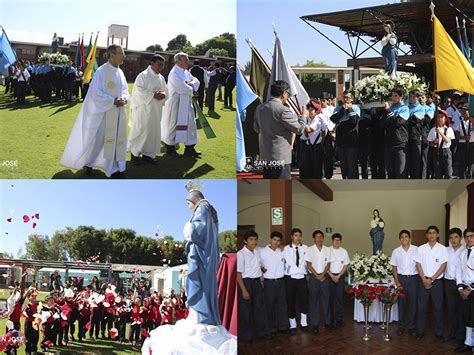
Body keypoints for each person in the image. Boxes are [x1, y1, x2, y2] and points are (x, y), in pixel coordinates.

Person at [61, 44, 130, 178]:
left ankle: (114, 169)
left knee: (114, 141)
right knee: (98, 142)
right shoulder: (102, 72)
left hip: (117, 114)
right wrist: (112, 101)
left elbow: (126, 91)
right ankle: (90, 163)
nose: (124, 56)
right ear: (111, 55)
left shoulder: (120, 72)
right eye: (121, 53)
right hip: (103, 115)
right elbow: (95, 93)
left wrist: (124, 99)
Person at [253, 80, 309, 179]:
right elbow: (299, 129)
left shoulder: (260, 108)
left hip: (265, 154)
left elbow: (256, 129)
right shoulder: (283, 110)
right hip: (280, 156)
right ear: (284, 94)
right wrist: (303, 116)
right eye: (288, 93)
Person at [128, 54, 168, 165]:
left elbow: (166, 91)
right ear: (152, 63)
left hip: (156, 110)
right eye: (159, 64)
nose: (161, 67)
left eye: (162, 65)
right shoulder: (143, 76)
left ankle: (148, 154)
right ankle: (135, 154)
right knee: (142, 131)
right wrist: (153, 95)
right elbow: (138, 92)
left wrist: (163, 94)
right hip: (144, 110)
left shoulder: (161, 78)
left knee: (153, 133)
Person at [161, 52, 201, 158]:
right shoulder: (174, 73)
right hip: (177, 103)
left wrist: (190, 84)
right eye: (185, 60)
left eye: (188, 59)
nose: (188, 62)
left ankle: (190, 148)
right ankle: (170, 148)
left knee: (191, 124)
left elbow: (196, 80)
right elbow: (181, 87)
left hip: (187, 102)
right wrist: (191, 87)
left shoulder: (185, 72)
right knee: (174, 125)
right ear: (178, 61)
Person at [414, 225, 448, 340]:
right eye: (429, 233)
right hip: (423, 281)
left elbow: (443, 266)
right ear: (426, 235)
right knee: (421, 307)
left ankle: (439, 332)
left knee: (438, 308)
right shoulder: (421, 248)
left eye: (434, 233)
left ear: (437, 235)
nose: (432, 235)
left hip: (436, 282)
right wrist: (424, 279)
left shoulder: (443, 249)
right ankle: (420, 331)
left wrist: (432, 279)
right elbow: (418, 265)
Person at [237, 230, 264, 344]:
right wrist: (244, 290)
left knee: (258, 309)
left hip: (257, 283)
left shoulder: (258, 251)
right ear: (245, 241)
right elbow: (238, 274)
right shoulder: (240, 254)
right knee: (245, 311)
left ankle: (260, 333)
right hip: (246, 283)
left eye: (255, 239)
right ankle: (247, 336)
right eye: (251, 239)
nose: (254, 241)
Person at [305, 230, 334, 333]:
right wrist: (317, 275)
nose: (319, 239)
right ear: (314, 238)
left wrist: (322, 275)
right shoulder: (310, 249)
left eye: (321, 237)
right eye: (317, 237)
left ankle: (327, 322)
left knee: (326, 300)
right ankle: (315, 324)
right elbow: (308, 264)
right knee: (313, 301)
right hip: (314, 278)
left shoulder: (327, 249)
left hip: (325, 277)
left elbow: (328, 264)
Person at [390, 230, 418, 336]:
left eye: (406, 236)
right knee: (401, 304)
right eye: (402, 237)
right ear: (400, 239)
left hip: (413, 279)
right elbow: (394, 268)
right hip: (401, 279)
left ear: (409, 238)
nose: (404, 238)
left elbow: (420, 265)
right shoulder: (396, 251)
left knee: (412, 304)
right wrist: (397, 282)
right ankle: (401, 327)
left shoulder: (416, 249)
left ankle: (411, 327)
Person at [259, 231, 287, 338]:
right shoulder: (262, 251)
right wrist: (262, 268)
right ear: (271, 239)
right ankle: (271, 328)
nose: (276, 242)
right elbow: (259, 263)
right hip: (269, 282)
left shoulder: (282, 251)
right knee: (270, 306)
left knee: (282, 306)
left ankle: (282, 326)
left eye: (278, 240)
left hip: (281, 282)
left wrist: (283, 247)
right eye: (274, 240)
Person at [283, 228, 309, 335]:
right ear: (291, 237)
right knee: (291, 302)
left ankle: (304, 323)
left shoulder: (306, 248)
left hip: (302, 278)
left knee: (304, 301)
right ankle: (292, 324)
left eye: (299, 235)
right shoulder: (286, 249)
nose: (298, 238)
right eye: (296, 235)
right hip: (290, 279)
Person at [330, 90, 360, 179]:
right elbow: (334, 119)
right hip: (341, 141)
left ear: (352, 99)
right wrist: (343, 109)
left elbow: (354, 121)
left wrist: (350, 109)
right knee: (344, 166)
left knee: (352, 166)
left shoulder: (356, 107)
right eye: (344, 97)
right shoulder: (338, 108)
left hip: (352, 142)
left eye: (347, 97)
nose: (345, 99)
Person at [382, 87, 410, 178]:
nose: (393, 98)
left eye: (396, 96)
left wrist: (388, 111)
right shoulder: (390, 107)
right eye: (392, 95)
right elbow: (384, 123)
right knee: (390, 171)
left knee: (400, 171)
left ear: (401, 97)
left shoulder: (405, 108)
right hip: (388, 142)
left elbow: (397, 122)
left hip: (400, 143)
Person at [445, 228, 466, 344]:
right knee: (451, 309)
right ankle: (452, 333)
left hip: (461, 284)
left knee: (461, 310)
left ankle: (460, 335)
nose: (453, 240)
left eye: (456, 237)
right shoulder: (446, 250)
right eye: (451, 238)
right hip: (448, 282)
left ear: (461, 238)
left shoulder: (464, 250)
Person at [455, 228, 474, 353]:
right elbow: (458, 271)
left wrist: (470, 289)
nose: (469, 238)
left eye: (471, 236)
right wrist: (461, 288)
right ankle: (468, 342)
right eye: (466, 236)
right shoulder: (462, 253)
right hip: (464, 290)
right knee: (466, 316)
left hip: (473, 289)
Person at [327, 233, 350, 328]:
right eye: (335, 240)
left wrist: (339, 275)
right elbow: (325, 265)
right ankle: (330, 319)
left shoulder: (344, 251)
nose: (337, 242)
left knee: (339, 299)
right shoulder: (327, 250)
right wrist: (332, 276)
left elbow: (345, 265)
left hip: (340, 277)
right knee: (330, 299)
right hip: (330, 276)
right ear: (332, 241)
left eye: (338, 240)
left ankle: (339, 319)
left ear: (341, 241)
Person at [300, 101, 327, 179]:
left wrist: (303, 118)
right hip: (308, 145)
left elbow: (309, 130)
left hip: (317, 146)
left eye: (311, 109)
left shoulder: (317, 119)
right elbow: (305, 134)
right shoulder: (308, 119)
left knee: (317, 168)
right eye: (308, 109)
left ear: (316, 111)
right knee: (307, 166)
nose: (309, 111)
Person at [427, 109, 455, 179]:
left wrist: (440, 133)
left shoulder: (449, 129)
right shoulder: (433, 130)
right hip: (436, 152)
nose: (440, 119)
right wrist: (434, 142)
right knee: (438, 173)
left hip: (446, 151)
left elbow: (447, 140)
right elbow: (429, 143)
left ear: (445, 119)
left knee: (448, 173)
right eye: (438, 117)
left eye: (442, 117)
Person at [407, 90, 426, 178]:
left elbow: (415, 119)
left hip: (416, 136)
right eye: (410, 96)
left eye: (414, 97)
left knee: (417, 160)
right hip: (407, 136)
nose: (411, 98)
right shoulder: (408, 107)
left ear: (418, 98)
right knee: (409, 161)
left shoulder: (421, 108)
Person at [453, 102, 474, 179]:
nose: (464, 112)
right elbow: (457, 135)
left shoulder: (472, 122)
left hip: (472, 145)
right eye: (462, 111)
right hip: (463, 145)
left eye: (465, 110)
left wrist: (471, 120)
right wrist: (465, 137)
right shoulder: (459, 122)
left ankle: (470, 178)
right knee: (462, 164)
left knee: (471, 163)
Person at [320, 93, 336, 179]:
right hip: (320, 135)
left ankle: (328, 174)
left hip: (330, 135)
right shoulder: (318, 110)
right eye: (321, 100)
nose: (322, 102)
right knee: (321, 155)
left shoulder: (332, 109)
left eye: (324, 100)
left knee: (329, 155)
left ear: (327, 101)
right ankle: (321, 173)